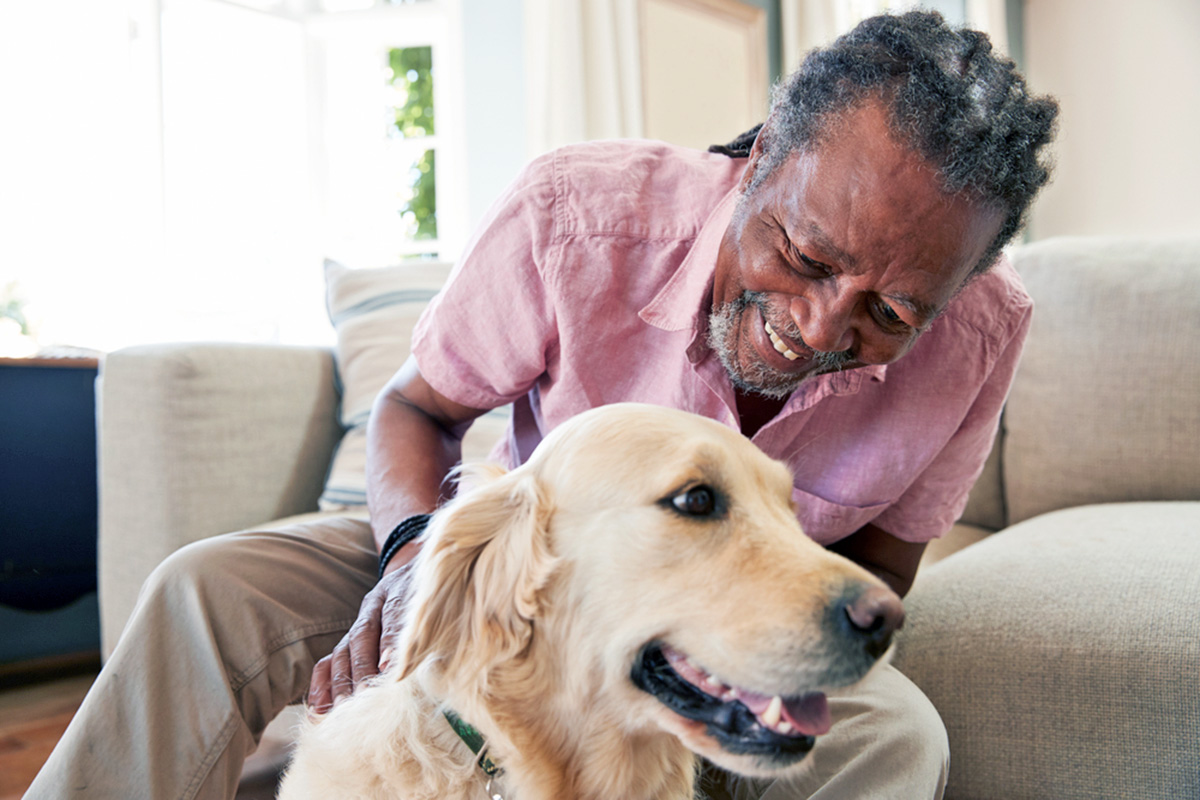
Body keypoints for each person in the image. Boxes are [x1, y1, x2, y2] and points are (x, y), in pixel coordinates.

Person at [27, 10, 1057, 800]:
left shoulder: (978, 339)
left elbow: (876, 572)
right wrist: (409, 561)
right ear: (762, 155)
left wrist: (718, 662)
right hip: (503, 547)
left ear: (961, 287)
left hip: (725, 610)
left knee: (896, 735)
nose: (823, 325)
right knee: (208, 588)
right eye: (803, 253)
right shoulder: (580, 213)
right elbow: (417, 410)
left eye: (889, 309)